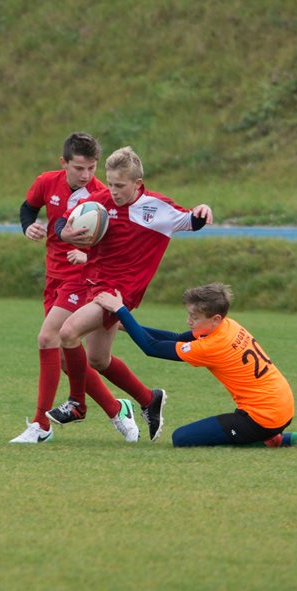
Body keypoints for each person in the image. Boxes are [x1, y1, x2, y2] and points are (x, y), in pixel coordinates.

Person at [93, 283, 297, 451]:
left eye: (194, 317)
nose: (189, 322)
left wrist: (121, 310)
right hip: (281, 402)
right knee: (267, 435)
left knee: (182, 439)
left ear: (214, 319)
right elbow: (174, 338)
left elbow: (151, 348)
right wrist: (126, 324)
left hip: (262, 415)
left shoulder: (213, 345)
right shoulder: (228, 326)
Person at [50, 146, 214, 443]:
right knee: (98, 360)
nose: (113, 191)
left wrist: (203, 210)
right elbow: (63, 220)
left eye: (120, 185)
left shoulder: (157, 208)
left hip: (119, 294)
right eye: (110, 183)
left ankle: (77, 404)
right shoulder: (99, 202)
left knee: (68, 333)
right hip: (95, 286)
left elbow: (193, 220)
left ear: (138, 183)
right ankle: (149, 398)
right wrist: (65, 233)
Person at [10, 133, 137, 444]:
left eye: (92, 168)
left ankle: (41, 424)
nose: (86, 175)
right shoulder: (46, 182)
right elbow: (28, 208)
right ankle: (117, 409)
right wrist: (29, 227)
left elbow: (114, 247)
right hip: (53, 278)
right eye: (79, 168)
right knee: (67, 359)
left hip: (81, 279)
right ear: (63, 163)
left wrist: (87, 256)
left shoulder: (101, 196)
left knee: (47, 338)